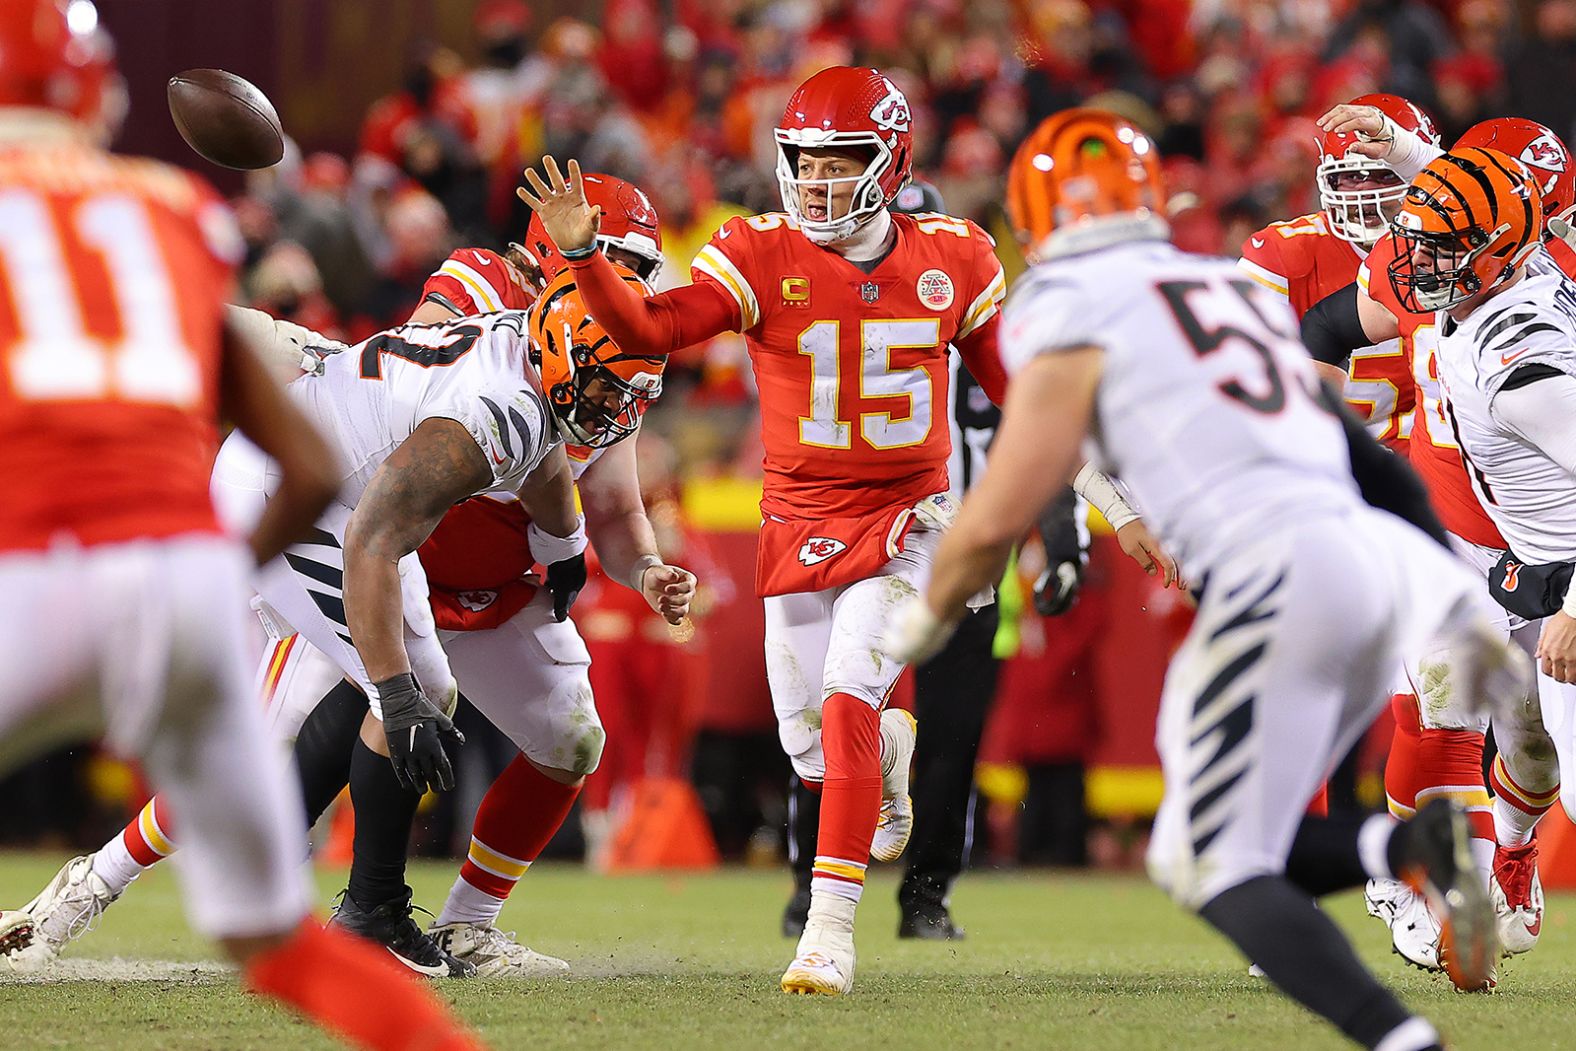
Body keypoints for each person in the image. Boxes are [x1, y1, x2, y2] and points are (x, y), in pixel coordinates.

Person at [517, 67, 1175, 995]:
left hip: (913, 516)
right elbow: (650, 330)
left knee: (850, 689)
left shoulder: (956, 256)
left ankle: (827, 935)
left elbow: (1031, 402)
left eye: (841, 161)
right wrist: (586, 257)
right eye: (805, 163)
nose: (819, 182)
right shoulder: (754, 251)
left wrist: (1122, 505)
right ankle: (889, 762)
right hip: (797, 522)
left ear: (891, 160)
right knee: (810, 748)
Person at [885, 107, 1522, 1049]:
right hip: (1365, 554)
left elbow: (991, 515)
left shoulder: (1064, 306)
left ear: (1033, 220)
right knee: (1219, 834)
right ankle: (1412, 847)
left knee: (1210, 862)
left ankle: (1402, 1034)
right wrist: (1448, 585)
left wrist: (919, 623)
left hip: (1277, 575)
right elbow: (1367, 454)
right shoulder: (1215, 287)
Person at [5, 211, 692, 979]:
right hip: (295, 489)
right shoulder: (492, 407)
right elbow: (375, 536)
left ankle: (371, 910)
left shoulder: (527, 360)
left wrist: (563, 547)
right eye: (607, 386)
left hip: (346, 488)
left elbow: (540, 461)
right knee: (390, 693)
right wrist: (393, 696)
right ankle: (363, 913)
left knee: (342, 712)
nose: (617, 410)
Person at [0, 2, 489, 1047]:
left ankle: (85, 894)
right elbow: (311, 466)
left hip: (32, 566)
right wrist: (211, 580)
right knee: (288, 948)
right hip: (178, 565)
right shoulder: (174, 206)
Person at [780, 179, 1098, 941]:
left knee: (952, 736)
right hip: (858, 542)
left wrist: (1064, 535)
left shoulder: (994, 332)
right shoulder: (830, 323)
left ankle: (924, 893)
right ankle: (809, 880)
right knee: (825, 710)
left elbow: (1035, 439)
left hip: (963, 562)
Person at [1302, 105, 1576, 972]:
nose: (1411, 263)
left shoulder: (1524, 361)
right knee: (1472, 718)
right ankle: (1469, 865)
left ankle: (1507, 847)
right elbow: (1338, 323)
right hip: (1494, 551)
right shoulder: (1484, 264)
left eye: (1442, 246)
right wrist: (1405, 151)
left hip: (1557, 560)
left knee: (1541, 745)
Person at [1238, 93, 1439, 447]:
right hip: (1316, 451)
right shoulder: (1282, 254)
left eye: (1381, 175)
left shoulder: (1453, 252)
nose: (1365, 192)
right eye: (1351, 178)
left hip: (1427, 449)